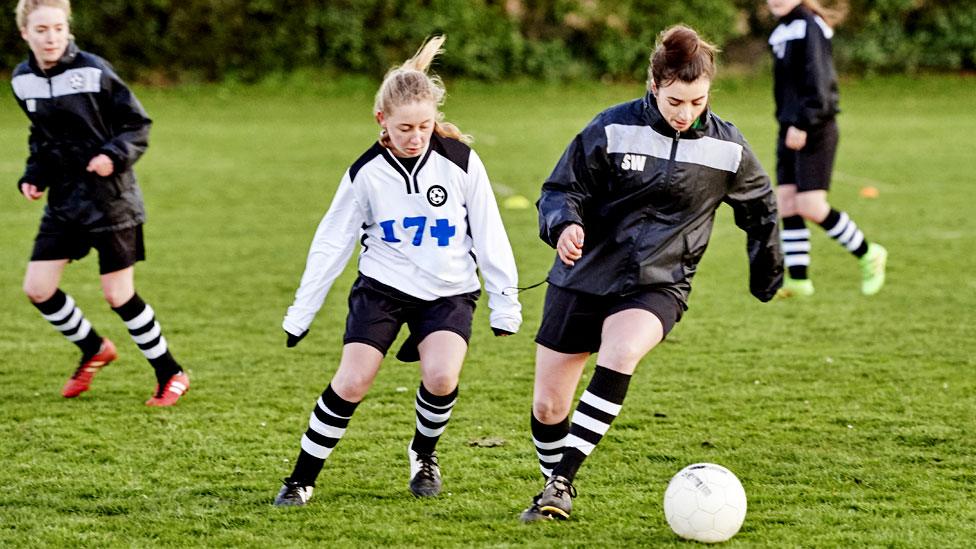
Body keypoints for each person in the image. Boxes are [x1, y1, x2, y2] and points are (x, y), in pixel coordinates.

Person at [518, 25, 783, 522]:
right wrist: (564, 225)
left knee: (621, 351)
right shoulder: (612, 129)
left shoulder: (727, 148)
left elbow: (761, 208)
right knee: (550, 407)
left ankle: (561, 483)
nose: (686, 114)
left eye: (697, 102)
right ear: (654, 85)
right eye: (675, 101)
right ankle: (555, 480)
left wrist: (766, 271)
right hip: (583, 276)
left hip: (659, 283)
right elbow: (560, 190)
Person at [274, 36, 522, 506]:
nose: (415, 137)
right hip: (383, 288)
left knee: (443, 378)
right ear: (381, 121)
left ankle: (423, 455)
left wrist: (505, 303)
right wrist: (300, 313)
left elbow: (490, 234)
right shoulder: (365, 173)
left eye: (425, 126)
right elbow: (332, 243)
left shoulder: (461, 162)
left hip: (449, 291)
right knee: (351, 381)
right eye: (405, 127)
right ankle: (301, 479)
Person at [12, 0, 188, 406]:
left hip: (112, 202)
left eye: (58, 28)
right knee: (38, 288)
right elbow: (41, 138)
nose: (51, 36)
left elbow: (137, 124)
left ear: (68, 28)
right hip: (64, 203)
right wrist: (34, 175)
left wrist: (113, 155)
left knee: (118, 295)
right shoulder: (23, 79)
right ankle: (94, 349)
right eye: (41, 30)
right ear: (25, 33)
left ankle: (170, 372)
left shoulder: (93, 70)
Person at [767, 0, 887, 297]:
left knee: (810, 205)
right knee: (786, 202)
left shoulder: (810, 25)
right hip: (790, 127)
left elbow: (820, 84)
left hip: (814, 126)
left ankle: (869, 253)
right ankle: (798, 280)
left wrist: (804, 122)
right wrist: (789, 122)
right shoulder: (781, 30)